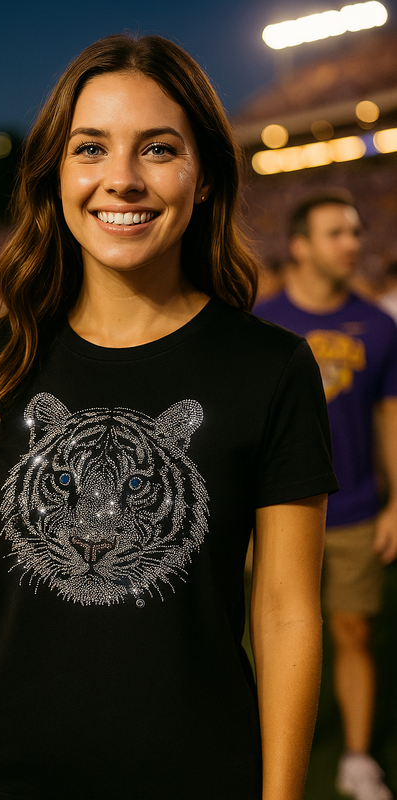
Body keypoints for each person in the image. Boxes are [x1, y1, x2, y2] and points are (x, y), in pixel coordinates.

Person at [0, 35, 338, 800]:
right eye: (91, 148)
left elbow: (285, 608)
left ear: (201, 177)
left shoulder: (271, 368)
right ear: (57, 174)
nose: (122, 181)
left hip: (196, 776)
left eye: (158, 149)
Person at [256, 190, 397, 800]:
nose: (352, 245)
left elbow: (390, 419)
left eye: (355, 232)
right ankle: (268, 746)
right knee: (264, 631)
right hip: (268, 513)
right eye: (336, 233)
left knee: (352, 633)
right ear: (300, 246)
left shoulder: (379, 325)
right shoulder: (258, 323)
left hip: (354, 508)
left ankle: (358, 757)